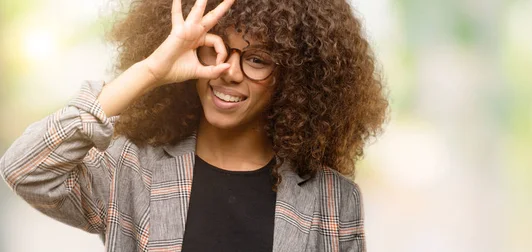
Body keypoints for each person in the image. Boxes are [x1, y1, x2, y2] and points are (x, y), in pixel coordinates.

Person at [0, 0, 387, 251]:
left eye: (257, 59)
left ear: (295, 77)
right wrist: (152, 70)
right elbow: (25, 170)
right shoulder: (133, 168)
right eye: (213, 48)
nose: (229, 72)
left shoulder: (334, 200)